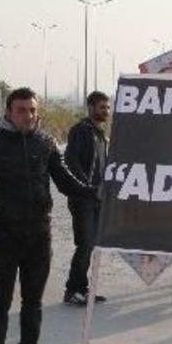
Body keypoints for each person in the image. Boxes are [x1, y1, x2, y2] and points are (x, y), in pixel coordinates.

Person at [0, 87, 95, 344]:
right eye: (22, 110)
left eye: (33, 110)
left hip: (39, 233)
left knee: (33, 299)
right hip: (5, 233)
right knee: (0, 300)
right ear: (9, 113)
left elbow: (64, 181)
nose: (28, 115)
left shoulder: (46, 142)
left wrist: (94, 192)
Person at [64, 90, 110, 306]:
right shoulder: (81, 131)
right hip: (83, 199)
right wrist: (87, 187)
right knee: (85, 244)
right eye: (102, 107)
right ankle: (73, 290)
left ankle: (83, 288)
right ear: (90, 108)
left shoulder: (100, 134)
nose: (106, 111)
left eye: (108, 107)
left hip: (97, 200)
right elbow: (71, 161)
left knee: (90, 245)